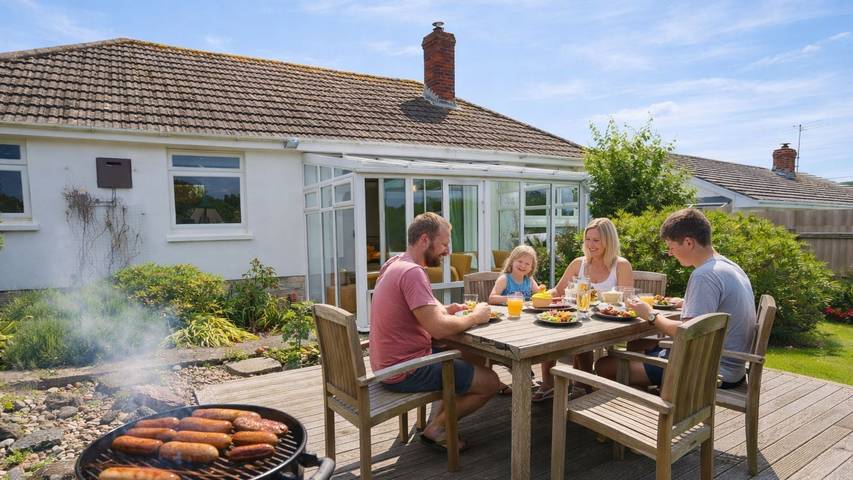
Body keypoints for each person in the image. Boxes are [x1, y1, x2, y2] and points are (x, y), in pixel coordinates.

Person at [369, 212, 502, 451]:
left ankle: (442, 416)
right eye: (444, 244)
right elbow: (439, 329)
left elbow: (424, 309)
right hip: (405, 369)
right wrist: (475, 316)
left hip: (386, 363)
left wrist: (448, 309)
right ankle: (438, 427)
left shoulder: (395, 263)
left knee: (470, 352)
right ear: (424, 240)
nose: (447, 251)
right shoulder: (412, 273)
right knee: (491, 382)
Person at [595, 208, 756, 389]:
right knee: (637, 344)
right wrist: (686, 303)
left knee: (603, 365)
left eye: (671, 247)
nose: (670, 253)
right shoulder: (727, 266)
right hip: (730, 366)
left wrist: (650, 314)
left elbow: (685, 333)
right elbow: (712, 315)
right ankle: (650, 400)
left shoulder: (704, 276)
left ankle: (646, 409)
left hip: (709, 371)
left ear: (688, 242)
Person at [534, 218, 634, 401]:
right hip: (581, 317)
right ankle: (549, 383)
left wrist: (601, 300)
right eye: (588, 239)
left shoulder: (621, 265)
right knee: (550, 326)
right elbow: (558, 290)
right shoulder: (578, 263)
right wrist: (540, 296)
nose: (590, 245)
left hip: (608, 323)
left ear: (608, 241)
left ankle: (584, 383)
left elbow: (627, 300)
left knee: (578, 334)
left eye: (596, 240)